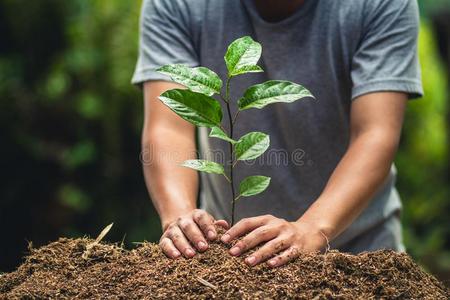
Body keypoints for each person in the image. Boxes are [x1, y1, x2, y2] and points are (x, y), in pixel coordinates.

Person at [132, 0, 423, 267]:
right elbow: (168, 126)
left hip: (359, 256)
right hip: (229, 254)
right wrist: (180, 216)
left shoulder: (379, 5)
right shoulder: (178, 5)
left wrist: (312, 228)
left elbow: (375, 133)